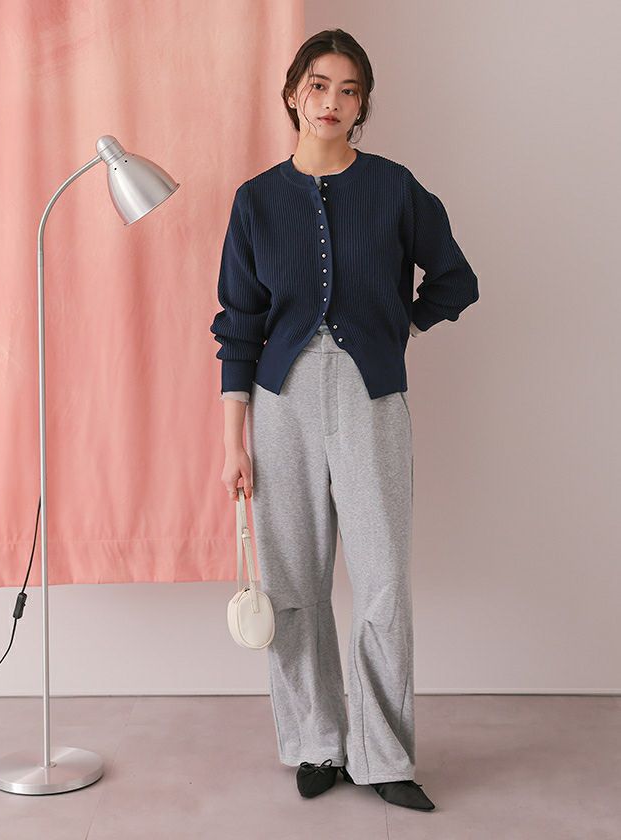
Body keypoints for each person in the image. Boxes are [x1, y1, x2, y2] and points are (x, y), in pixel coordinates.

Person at [209, 28, 479, 812]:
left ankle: (384, 754)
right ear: (295, 92)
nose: (332, 101)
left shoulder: (394, 189)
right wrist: (234, 443)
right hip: (280, 402)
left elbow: (455, 279)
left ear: (363, 105)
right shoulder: (256, 200)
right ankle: (315, 742)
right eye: (319, 85)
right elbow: (239, 324)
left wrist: (400, 326)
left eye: (349, 89)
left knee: (383, 579)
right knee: (294, 582)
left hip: (371, 397)